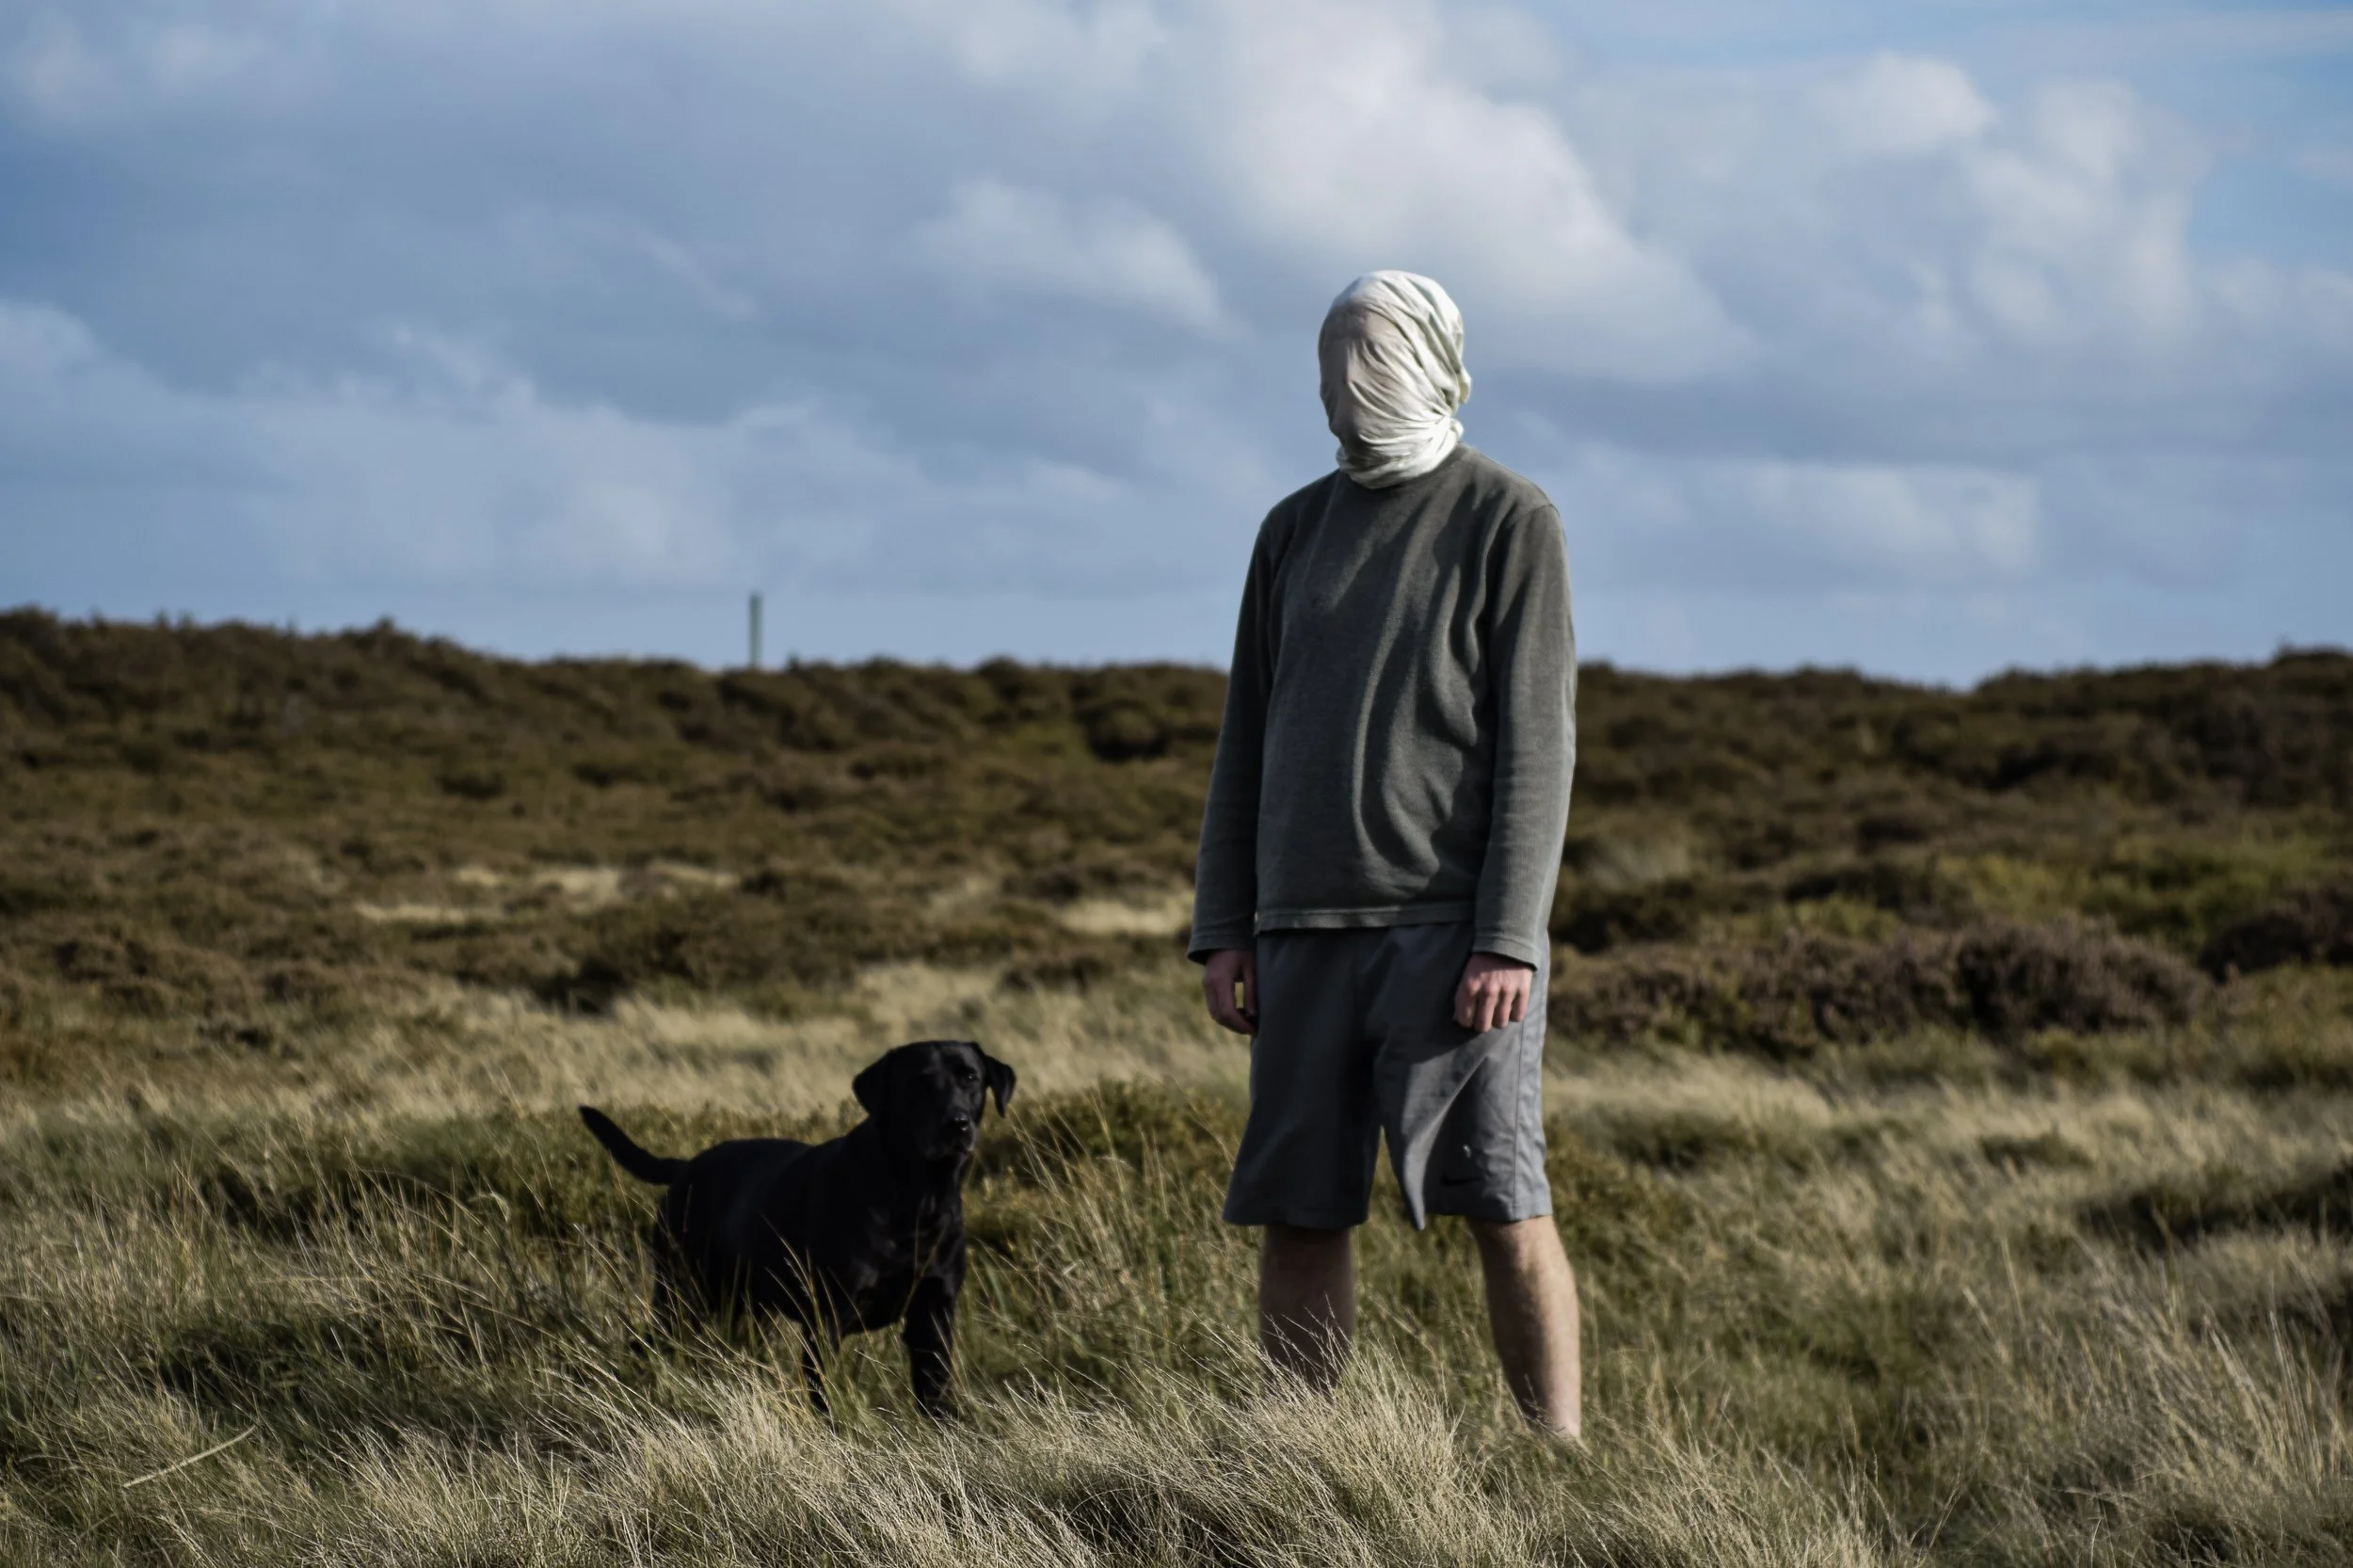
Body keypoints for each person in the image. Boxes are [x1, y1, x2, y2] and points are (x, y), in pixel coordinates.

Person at [1189, 271, 1581, 1438]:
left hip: (1453, 940)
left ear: (1437, 358)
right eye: (1337, 352)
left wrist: (1508, 934)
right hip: (1299, 935)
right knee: (1299, 1213)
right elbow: (1243, 738)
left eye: (1379, 350)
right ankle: (1301, 1459)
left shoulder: (1510, 520)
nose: (1354, 375)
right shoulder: (1290, 530)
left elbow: (1538, 746)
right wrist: (1225, 925)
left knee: (1503, 1203)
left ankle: (1555, 1455)